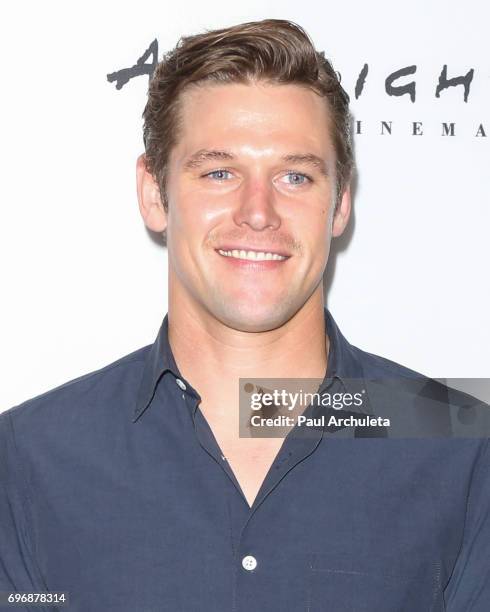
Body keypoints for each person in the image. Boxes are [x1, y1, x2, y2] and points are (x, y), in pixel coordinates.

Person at [1, 18, 488, 612]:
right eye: (219, 172)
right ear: (154, 194)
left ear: (341, 204)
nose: (258, 212)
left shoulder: (462, 446)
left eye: (294, 176)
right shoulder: (28, 457)